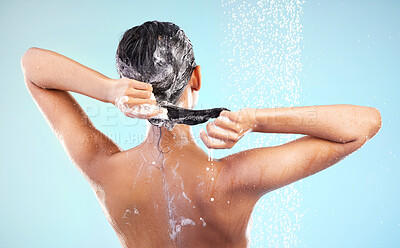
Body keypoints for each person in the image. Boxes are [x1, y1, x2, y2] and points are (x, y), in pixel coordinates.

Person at [21, 21, 381, 248]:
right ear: (195, 78)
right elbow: (363, 125)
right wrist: (255, 119)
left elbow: (32, 66)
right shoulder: (233, 180)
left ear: (128, 84)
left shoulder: (102, 169)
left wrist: (107, 90)